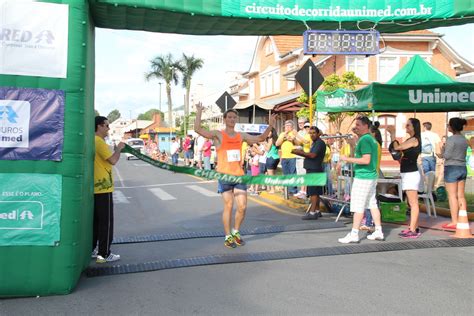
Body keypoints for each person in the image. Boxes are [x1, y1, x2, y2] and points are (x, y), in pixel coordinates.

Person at [194, 103, 276, 248]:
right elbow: (197, 129)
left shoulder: (241, 135)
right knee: (229, 205)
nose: (232, 119)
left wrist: (270, 126)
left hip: (239, 176)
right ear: (225, 119)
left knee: (243, 207)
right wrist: (199, 111)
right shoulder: (218, 134)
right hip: (225, 176)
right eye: (230, 117)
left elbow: (261, 138)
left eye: (234, 117)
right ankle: (227, 236)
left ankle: (236, 231)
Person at [337, 116, 384, 243]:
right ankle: (378, 230)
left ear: (365, 126)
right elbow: (362, 157)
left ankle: (354, 233)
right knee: (372, 203)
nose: (355, 127)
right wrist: (353, 146)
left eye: (358, 125)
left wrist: (346, 159)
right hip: (371, 175)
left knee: (358, 205)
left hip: (364, 176)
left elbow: (365, 160)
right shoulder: (370, 139)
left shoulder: (365, 140)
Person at [93, 116, 125, 263]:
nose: (108, 129)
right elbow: (113, 160)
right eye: (106, 125)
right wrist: (118, 149)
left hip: (96, 187)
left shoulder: (94, 141)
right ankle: (104, 253)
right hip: (103, 188)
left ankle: (94, 249)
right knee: (106, 222)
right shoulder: (99, 142)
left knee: (96, 222)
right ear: (99, 126)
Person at [387, 118, 422, 238]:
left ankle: (412, 229)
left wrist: (393, 135)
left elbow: (397, 147)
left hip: (411, 173)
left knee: (413, 203)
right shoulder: (410, 139)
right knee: (411, 202)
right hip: (407, 172)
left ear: (414, 127)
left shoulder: (414, 140)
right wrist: (393, 137)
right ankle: (414, 227)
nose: (406, 127)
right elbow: (397, 149)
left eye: (408, 125)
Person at [291, 126, 326, 220]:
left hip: (314, 169)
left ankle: (312, 212)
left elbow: (312, 155)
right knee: (316, 192)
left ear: (318, 133)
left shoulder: (319, 143)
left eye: (314, 133)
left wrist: (299, 152)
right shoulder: (315, 143)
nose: (312, 135)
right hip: (312, 169)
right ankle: (317, 211)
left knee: (313, 192)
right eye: (310, 133)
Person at [440, 118, 469, 230]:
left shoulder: (451, 139)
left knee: (452, 196)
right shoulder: (464, 139)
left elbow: (447, 155)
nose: (448, 127)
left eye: (449, 125)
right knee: (461, 195)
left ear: (452, 127)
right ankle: (463, 218)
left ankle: (454, 221)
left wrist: (442, 149)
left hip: (451, 167)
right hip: (462, 167)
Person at [276, 120, 306, 195]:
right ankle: (287, 190)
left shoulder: (294, 133)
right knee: (285, 174)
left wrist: (293, 139)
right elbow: (277, 143)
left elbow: (299, 144)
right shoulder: (282, 134)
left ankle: (293, 190)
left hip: (292, 156)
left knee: (292, 174)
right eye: (286, 126)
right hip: (284, 157)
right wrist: (284, 136)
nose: (287, 127)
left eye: (289, 126)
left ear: (292, 127)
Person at [294, 118, 311, 198]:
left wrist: (296, 136)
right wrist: (293, 139)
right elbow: (298, 143)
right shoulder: (299, 132)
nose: (300, 124)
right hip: (298, 155)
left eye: (302, 123)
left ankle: (305, 192)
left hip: (304, 157)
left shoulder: (307, 132)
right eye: (299, 123)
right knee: (300, 175)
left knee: (304, 175)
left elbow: (305, 142)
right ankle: (301, 191)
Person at [265, 129, 280, 194]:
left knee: (270, 175)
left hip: (271, 157)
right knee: (274, 174)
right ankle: (276, 187)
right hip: (276, 157)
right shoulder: (276, 139)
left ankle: (272, 189)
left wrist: (264, 144)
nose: (267, 133)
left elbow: (267, 149)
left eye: (269, 132)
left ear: (272, 132)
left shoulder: (270, 139)